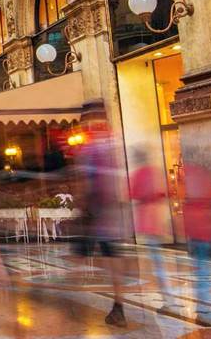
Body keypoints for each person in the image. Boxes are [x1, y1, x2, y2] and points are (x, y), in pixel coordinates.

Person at [78, 125, 129, 327]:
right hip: (112, 219)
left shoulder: (91, 151)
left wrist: (84, 206)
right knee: (113, 262)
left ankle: (117, 308)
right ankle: (118, 306)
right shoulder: (112, 149)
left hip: (98, 219)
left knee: (84, 259)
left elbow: (88, 185)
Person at [128, 147, 175, 311]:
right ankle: (166, 297)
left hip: (147, 221)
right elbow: (165, 192)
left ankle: (168, 300)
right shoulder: (156, 172)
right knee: (157, 261)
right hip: (158, 219)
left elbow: (132, 193)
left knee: (157, 262)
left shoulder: (139, 174)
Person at [183, 160, 211, 327]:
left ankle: (204, 311)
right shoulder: (205, 178)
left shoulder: (189, 180)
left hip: (196, 232)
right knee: (202, 272)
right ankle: (203, 308)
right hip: (205, 230)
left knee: (200, 272)